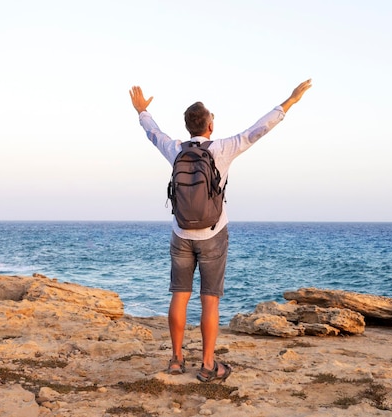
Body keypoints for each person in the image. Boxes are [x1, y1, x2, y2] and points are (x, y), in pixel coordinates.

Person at [129, 79, 312, 382]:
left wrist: (141, 112)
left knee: (179, 295)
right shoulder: (223, 149)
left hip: (181, 232)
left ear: (188, 127)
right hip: (214, 233)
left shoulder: (175, 150)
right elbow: (258, 130)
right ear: (210, 125)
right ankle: (207, 365)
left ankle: (176, 361)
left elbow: (153, 133)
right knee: (209, 300)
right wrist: (289, 102)